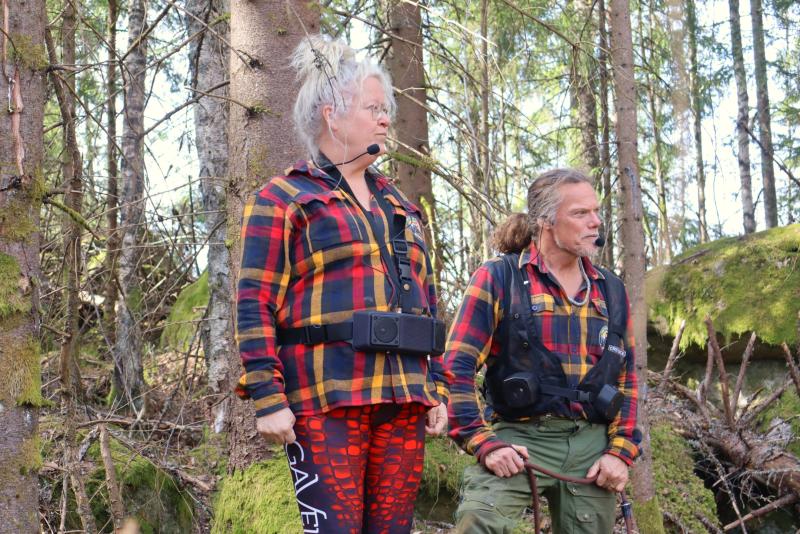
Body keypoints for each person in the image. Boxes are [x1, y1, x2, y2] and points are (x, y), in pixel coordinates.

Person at [234, 34, 449, 533]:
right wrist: (268, 397)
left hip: (403, 400)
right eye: (374, 108)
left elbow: (427, 304)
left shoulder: (402, 207)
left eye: (387, 109)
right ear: (332, 114)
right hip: (326, 398)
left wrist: (435, 385)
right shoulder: (285, 197)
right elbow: (254, 303)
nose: (385, 118)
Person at [445, 169, 641, 533]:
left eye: (596, 211)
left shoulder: (610, 290)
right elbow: (456, 367)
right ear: (546, 221)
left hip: (591, 449)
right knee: (479, 523)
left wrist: (620, 453)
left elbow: (626, 377)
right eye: (580, 213)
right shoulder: (498, 278)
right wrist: (483, 442)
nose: (595, 222)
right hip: (519, 439)